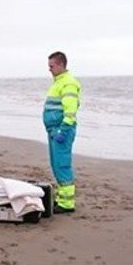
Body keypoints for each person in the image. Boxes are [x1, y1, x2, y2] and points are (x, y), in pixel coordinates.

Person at [43, 51, 82, 214]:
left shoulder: (68, 83)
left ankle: (67, 203)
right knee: (56, 165)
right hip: (54, 130)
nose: (49, 69)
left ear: (60, 64)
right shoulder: (57, 83)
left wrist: (63, 130)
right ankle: (62, 198)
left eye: (51, 66)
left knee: (62, 164)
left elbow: (70, 111)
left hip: (62, 131)